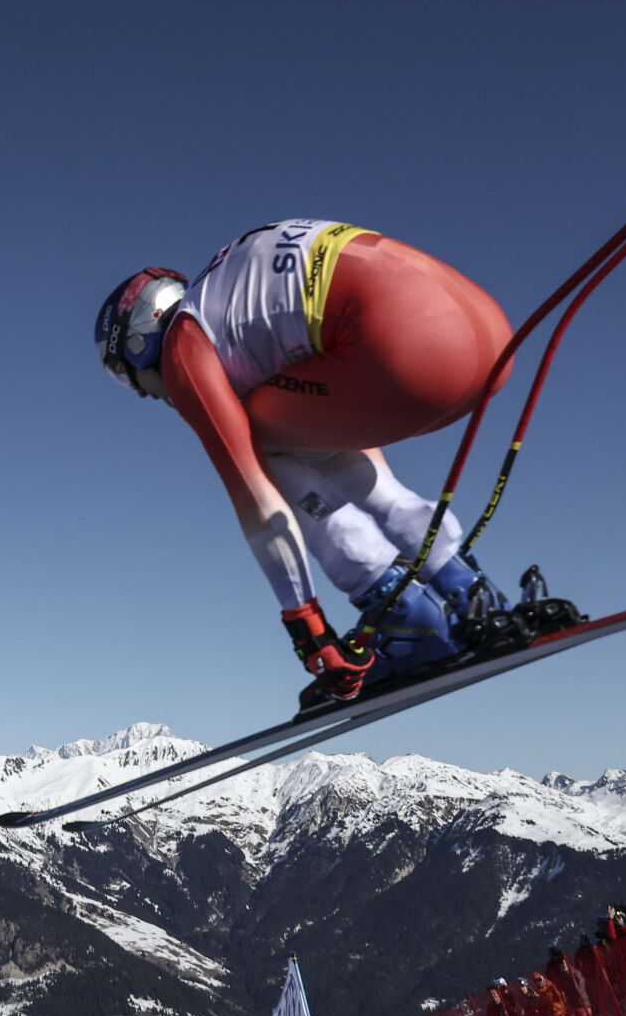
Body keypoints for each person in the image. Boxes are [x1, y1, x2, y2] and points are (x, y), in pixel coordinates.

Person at [93, 223, 516, 700]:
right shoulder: (230, 302)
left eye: (125, 378)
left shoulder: (184, 347)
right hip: (489, 336)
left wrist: (306, 625)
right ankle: (467, 590)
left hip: (409, 353)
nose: (146, 396)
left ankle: (407, 620)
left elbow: (258, 503)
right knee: (306, 434)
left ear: (139, 340)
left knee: (252, 434)